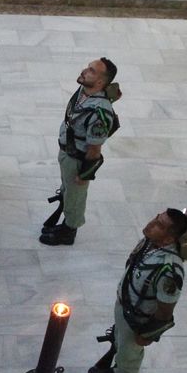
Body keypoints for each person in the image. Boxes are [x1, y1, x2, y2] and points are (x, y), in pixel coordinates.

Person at [88, 208, 187, 373]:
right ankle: (116, 370)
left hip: (138, 318)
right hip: (125, 304)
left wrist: (148, 334)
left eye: (160, 225)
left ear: (169, 239)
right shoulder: (149, 242)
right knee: (119, 340)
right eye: (156, 218)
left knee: (130, 351)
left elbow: (165, 310)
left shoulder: (169, 270)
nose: (152, 224)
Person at [41, 58, 121, 247]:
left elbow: (94, 148)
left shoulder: (100, 113)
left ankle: (69, 231)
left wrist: (84, 175)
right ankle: (64, 222)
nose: (85, 71)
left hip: (77, 159)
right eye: (88, 67)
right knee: (67, 192)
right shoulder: (85, 91)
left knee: (75, 197)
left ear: (101, 82)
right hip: (67, 151)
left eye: (91, 71)